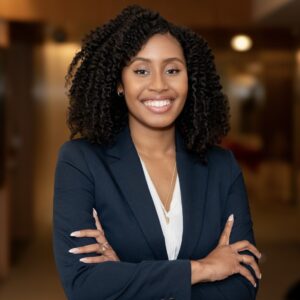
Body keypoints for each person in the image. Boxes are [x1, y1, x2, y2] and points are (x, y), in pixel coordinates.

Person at [53, 5, 262, 300]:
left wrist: (128, 279)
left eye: (173, 70)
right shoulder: (81, 162)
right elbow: (84, 285)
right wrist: (201, 269)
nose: (160, 85)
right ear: (118, 83)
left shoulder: (221, 165)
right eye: (141, 70)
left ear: (190, 79)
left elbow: (243, 284)